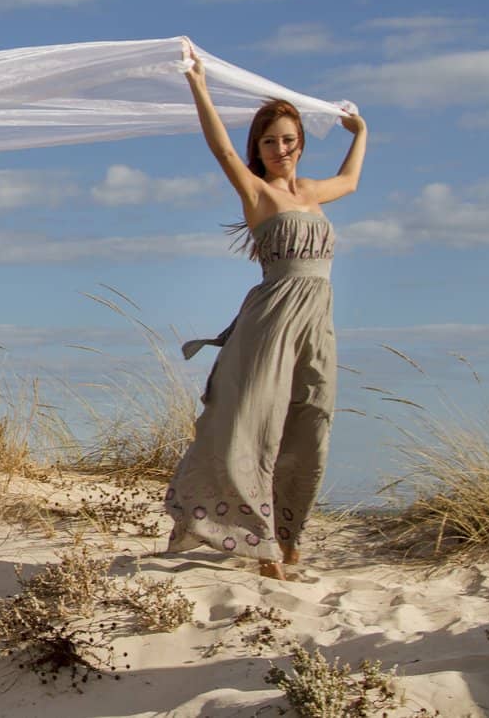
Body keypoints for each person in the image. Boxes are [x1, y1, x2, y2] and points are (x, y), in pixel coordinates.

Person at [163, 38, 367, 580]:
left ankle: (288, 535)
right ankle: (258, 546)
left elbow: (353, 180)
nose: (282, 149)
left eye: (290, 140)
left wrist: (362, 133)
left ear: (301, 143)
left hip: (317, 325)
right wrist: (197, 84)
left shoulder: (316, 194)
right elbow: (221, 149)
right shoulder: (257, 194)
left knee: (311, 423)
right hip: (271, 324)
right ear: (260, 147)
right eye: (272, 142)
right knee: (254, 426)